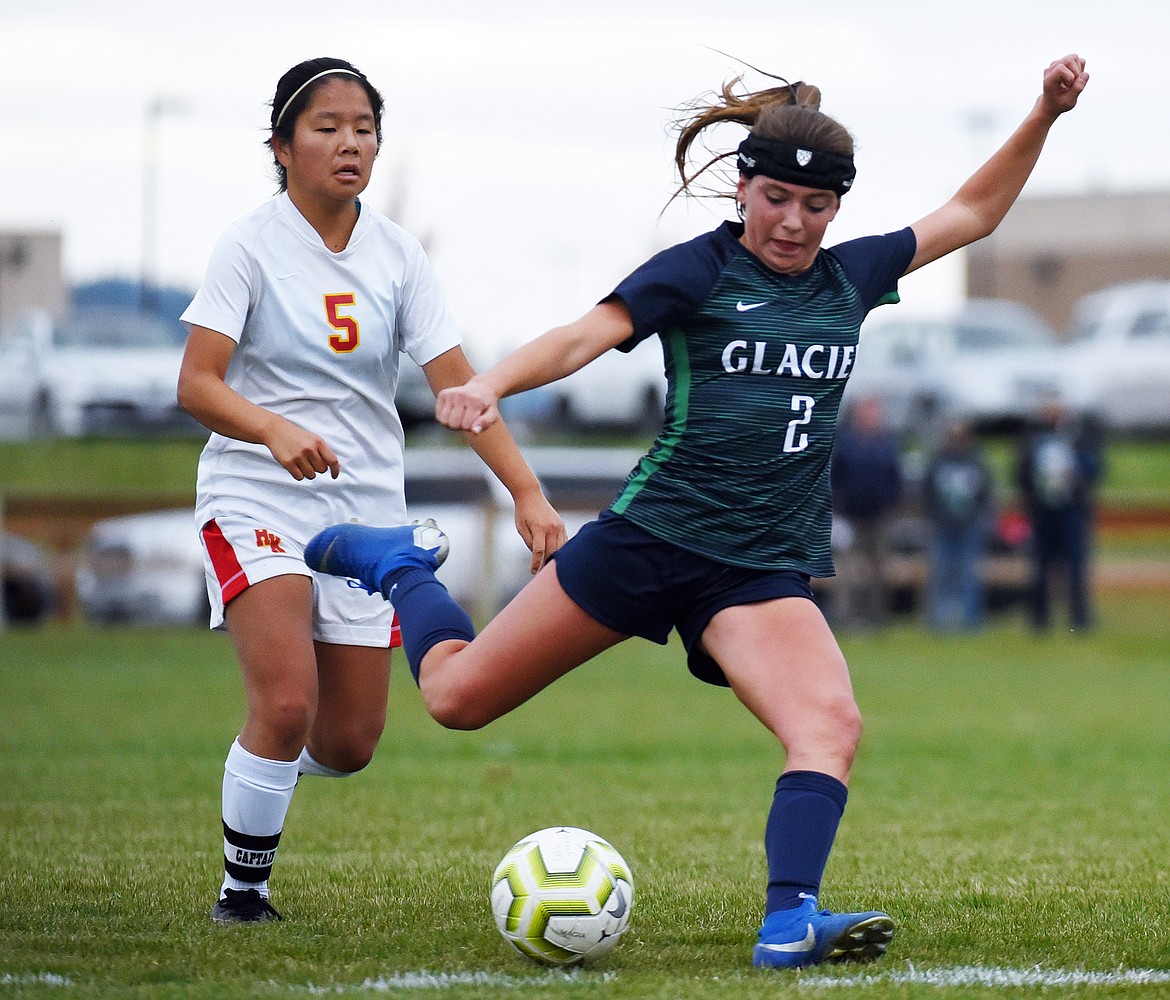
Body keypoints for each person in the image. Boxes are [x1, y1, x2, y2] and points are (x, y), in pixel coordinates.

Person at [305, 55, 1089, 967]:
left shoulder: (852, 277)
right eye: (775, 200)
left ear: (837, 208)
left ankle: (789, 921)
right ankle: (403, 567)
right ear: (744, 188)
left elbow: (975, 213)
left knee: (829, 725)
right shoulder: (698, 270)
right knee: (456, 699)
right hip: (649, 541)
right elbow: (582, 337)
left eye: (817, 206)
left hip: (757, 569)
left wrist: (1044, 111)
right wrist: (491, 383)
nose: (794, 222)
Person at [175, 57, 565, 925]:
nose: (350, 144)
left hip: (365, 520)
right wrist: (273, 430)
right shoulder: (249, 244)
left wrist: (527, 494)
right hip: (256, 497)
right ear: (281, 147)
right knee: (285, 702)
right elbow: (197, 383)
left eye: (364, 129)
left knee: (346, 744)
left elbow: (462, 389)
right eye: (326, 128)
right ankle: (244, 894)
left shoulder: (397, 255)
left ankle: (259, 764)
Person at [1014, 394, 1103, 632]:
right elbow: (1021, 471)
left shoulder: (1078, 435)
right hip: (1042, 511)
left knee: (1076, 565)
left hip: (1071, 510)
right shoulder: (1033, 437)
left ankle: (1079, 618)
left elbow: (1094, 469)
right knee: (1040, 566)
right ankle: (1039, 618)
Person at [830, 395, 903, 630]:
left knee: (879, 570)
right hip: (851, 517)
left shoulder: (886, 443)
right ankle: (846, 618)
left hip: (879, 516)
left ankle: (877, 617)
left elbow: (894, 477)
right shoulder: (845, 442)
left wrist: (891, 505)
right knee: (847, 571)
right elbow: (835, 477)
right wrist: (837, 510)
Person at [922, 417, 996, 631]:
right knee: (942, 573)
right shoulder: (938, 460)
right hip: (943, 525)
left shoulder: (976, 461)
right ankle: (940, 620)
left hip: (969, 526)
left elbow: (985, 493)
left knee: (969, 574)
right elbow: (928, 493)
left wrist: (978, 518)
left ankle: (971, 620)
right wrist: (936, 517)